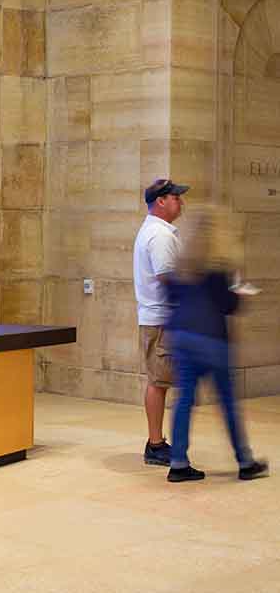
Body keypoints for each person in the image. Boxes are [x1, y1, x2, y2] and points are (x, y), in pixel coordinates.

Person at [164, 208, 268, 482]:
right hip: (210, 338)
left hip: (181, 336)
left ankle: (178, 462)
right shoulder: (218, 267)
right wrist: (240, 294)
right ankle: (245, 461)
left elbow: (169, 294)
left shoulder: (182, 264)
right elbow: (228, 305)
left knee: (184, 399)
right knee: (228, 402)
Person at [133, 178, 187, 465]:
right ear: (161, 201)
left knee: (161, 381)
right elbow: (169, 279)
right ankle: (155, 444)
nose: (181, 202)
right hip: (163, 319)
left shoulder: (156, 231)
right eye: (176, 197)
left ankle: (157, 442)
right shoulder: (160, 236)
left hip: (159, 318)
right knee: (159, 381)